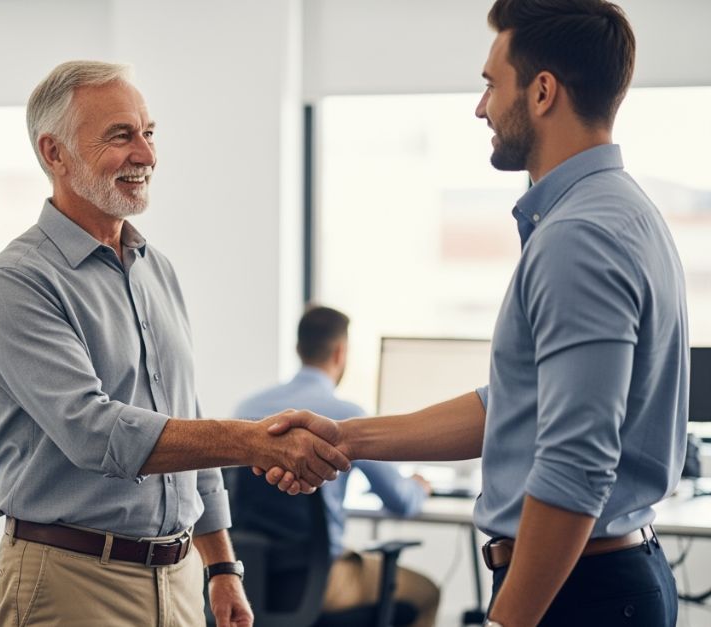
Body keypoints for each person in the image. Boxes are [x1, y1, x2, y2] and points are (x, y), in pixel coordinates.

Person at [262, 2, 687, 626]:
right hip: (589, 582)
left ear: (542, 92)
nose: (480, 106)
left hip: (578, 593)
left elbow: (576, 462)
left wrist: (503, 622)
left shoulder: (580, 236)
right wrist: (346, 438)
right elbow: (514, 405)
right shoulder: (615, 212)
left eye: (491, 83)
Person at [0, 60, 349, 627]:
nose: (146, 155)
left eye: (148, 133)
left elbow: (184, 420)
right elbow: (93, 431)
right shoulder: (19, 281)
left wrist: (222, 567)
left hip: (177, 578)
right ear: (55, 154)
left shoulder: (157, 271)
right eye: (121, 136)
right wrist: (250, 443)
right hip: (72, 581)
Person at [234, 305, 438, 627]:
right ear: (341, 352)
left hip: (253, 576)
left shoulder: (245, 409)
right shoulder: (347, 415)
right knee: (427, 592)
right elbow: (400, 501)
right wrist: (418, 486)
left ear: (299, 348)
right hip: (320, 580)